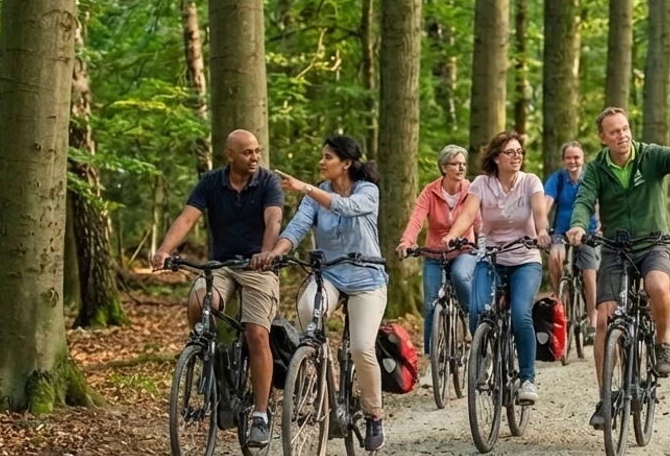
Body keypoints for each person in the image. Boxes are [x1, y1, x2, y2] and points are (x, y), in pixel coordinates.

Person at [566, 107, 670, 430]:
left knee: (658, 287)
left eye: (625, 129)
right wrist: (578, 226)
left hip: (653, 242)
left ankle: (662, 344)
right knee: (606, 319)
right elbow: (583, 200)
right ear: (603, 138)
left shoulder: (648, 156)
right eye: (614, 131)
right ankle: (606, 399)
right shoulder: (595, 170)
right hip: (615, 248)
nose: (622, 135)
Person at [249, 135, 389, 452]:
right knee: (306, 309)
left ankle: (374, 415)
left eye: (328, 157)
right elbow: (298, 227)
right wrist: (275, 252)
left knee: (361, 348)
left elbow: (348, 208)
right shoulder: (316, 195)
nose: (322, 162)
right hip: (331, 275)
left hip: (367, 278)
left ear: (346, 163)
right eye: (322, 156)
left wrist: (304, 187)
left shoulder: (368, 191)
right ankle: (318, 366)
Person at [150, 129, 285, 449]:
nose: (254, 157)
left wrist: (266, 253)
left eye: (257, 151)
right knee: (199, 303)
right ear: (230, 155)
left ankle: (260, 415)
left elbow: (274, 221)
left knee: (256, 334)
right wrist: (164, 250)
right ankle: (209, 358)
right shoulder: (211, 182)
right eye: (247, 152)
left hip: (257, 266)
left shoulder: (268, 182)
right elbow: (187, 219)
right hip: (221, 265)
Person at [444, 132, 552, 406]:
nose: (517, 157)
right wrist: (452, 235)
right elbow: (468, 214)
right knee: (478, 311)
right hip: (490, 257)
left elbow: (540, 213)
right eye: (510, 152)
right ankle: (486, 357)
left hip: (525, 258)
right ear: (496, 158)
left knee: (520, 314)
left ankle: (527, 378)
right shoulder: (482, 184)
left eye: (519, 152)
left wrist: (541, 232)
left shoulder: (530, 182)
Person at [397, 144, 480, 357]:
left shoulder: (472, 190)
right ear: (444, 168)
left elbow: (478, 221)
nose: (461, 168)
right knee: (431, 305)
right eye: (455, 164)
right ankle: (431, 359)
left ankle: (473, 321)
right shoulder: (430, 191)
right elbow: (416, 219)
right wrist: (407, 242)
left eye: (463, 164)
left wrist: (486, 245)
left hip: (464, 250)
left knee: (461, 276)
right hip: (434, 253)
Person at [544, 141, 600, 335]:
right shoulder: (558, 179)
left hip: (588, 233)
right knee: (555, 257)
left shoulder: (591, 178)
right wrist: (541, 227)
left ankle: (593, 319)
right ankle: (562, 297)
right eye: (568, 157)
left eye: (576, 157)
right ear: (563, 160)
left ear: (583, 159)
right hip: (561, 232)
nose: (572, 161)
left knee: (589, 273)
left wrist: (601, 225)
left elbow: (599, 202)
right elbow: (546, 202)